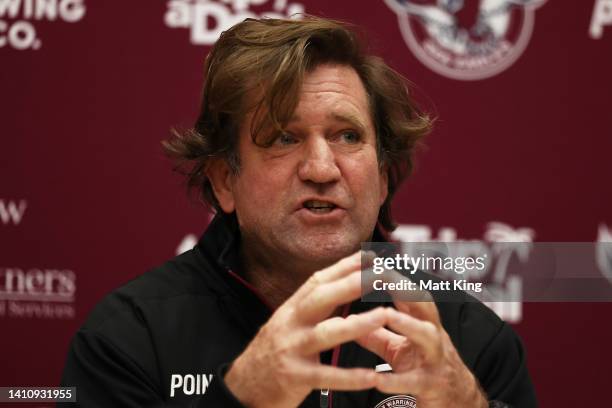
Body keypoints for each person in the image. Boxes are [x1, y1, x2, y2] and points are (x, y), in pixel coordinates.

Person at [60, 16, 537, 408]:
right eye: (283, 138)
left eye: (347, 136)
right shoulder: (129, 337)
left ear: (384, 174)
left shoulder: (469, 343)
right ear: (224, 180)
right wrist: (239, 400)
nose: (321, 168)